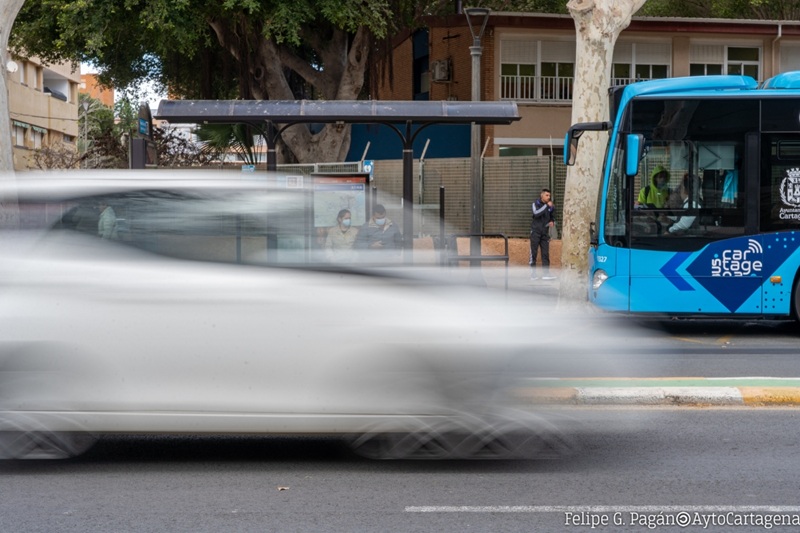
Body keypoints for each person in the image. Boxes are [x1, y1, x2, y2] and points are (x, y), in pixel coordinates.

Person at [529, 188, 556, 280]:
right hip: (535, 232)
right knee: (533, 253)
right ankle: (533, 274)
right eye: (547, 195)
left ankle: (546, 274)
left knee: (545, 254)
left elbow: (552, 216)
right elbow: (536, 213)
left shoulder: (550, 206)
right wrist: (546, 207)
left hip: (545, 233)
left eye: (549, 196)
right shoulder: (535, 204)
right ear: (542, 195)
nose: (548, 197)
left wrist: (552, 221)